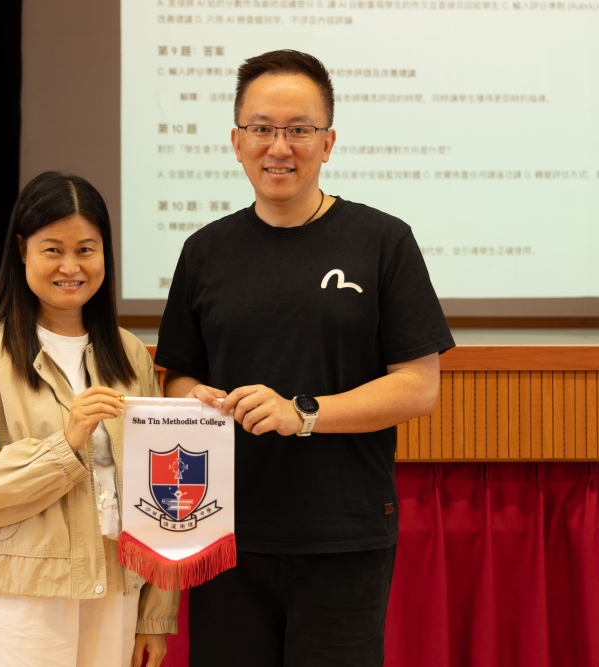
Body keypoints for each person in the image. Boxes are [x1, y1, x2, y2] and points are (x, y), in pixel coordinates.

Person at [155, 50, 455, 667]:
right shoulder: (205, 251)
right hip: (223, 532)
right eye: (262, 129)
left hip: (342, 534)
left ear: (328, 142)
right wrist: (196, 397)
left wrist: (303, 413)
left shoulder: (382, 241)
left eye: (299, 130)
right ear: (237, 142)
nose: (279, 147)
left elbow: (418, 386)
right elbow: (178, 374)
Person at [0, 171, 178, 667]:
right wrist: (65, 445)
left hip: (115, 586)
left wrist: (154, 614)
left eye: (86, 250)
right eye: (52, 250)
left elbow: (158, 489)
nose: (71, 266)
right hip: (17, 593)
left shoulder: (130, 355)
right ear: (22, 251)